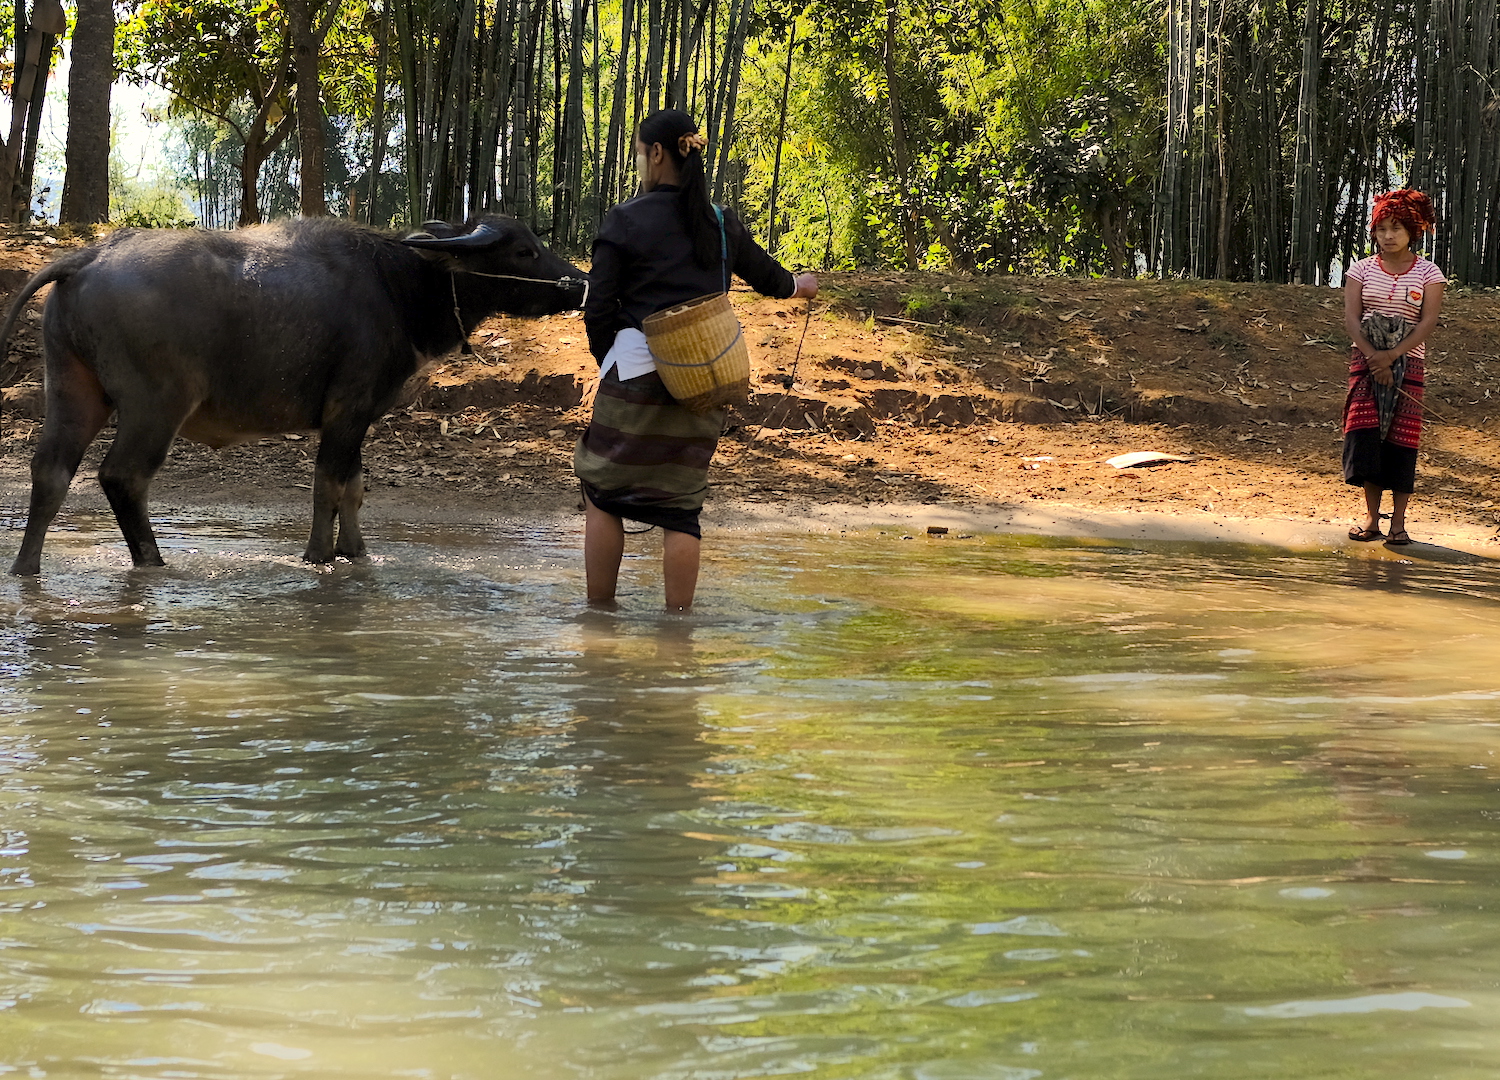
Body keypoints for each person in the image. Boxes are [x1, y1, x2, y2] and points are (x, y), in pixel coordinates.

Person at [574, 109, 817, 611]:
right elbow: (769, 278)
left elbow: (598, 307)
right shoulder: (720, 222)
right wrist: (800, 285)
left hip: (634, 378)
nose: (641, 162)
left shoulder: (625, 220)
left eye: (641, 152)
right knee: (682, 510)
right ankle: (678, 629)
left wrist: (612, 361)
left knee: (603, 494)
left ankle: (598, 619)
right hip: (703, 382)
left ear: (657, 153)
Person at [1341, 189, 1445, 546]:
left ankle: (1398, 524)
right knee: (1368, 435)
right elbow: (1352, 320)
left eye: (1397, 228)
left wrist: (1392, 356)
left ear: (1413, 231)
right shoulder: (1361, 269)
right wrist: (1374, 357)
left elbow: (1427, 322)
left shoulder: (1429, 274)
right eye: (1382, 228)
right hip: (1365, 362)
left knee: (1401, 439)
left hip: (1409, 362)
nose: (1388, 235)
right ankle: (1371, 519)